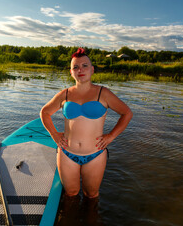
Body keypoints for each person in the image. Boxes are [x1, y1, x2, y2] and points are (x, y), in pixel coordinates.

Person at [40, 48, 133, 199]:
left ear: (92, 69)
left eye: (84, 65)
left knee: (91, 195)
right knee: (70, 194)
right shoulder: (65, 94)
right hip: (66, 153)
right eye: (75, 67)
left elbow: (127, 113)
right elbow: (44, 112)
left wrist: (110, 136)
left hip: (95, 155)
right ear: (71, 72)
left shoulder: (103, 93)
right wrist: (55, 135)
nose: (80, 70)